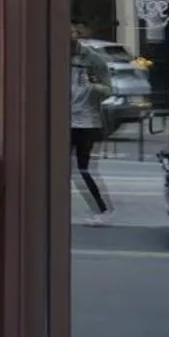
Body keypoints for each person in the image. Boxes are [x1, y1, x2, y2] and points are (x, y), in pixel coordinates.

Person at [68, 29, 111, 221]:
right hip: (65, 120)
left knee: (82, 170)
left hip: (87, 121)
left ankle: (100, 209)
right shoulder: (54, 54)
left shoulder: (92, 59)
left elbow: (108, 89)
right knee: (60, 169)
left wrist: (92, 87)